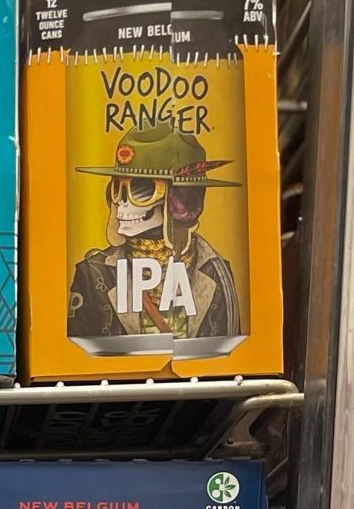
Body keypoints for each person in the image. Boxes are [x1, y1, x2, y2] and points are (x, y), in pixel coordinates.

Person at [68, 122, 242, 343]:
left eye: (141, 190)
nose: (122, 203)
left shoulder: (217, 272)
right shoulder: (93, 274)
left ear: (179, 201)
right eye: (117, 189)